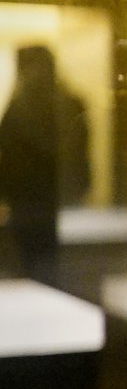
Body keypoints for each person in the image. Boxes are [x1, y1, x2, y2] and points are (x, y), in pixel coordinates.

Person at [0, 45, 91, 287]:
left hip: (37, 200)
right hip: (38, 200)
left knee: (39, 265)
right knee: (41, 264)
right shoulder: (64, 102)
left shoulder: (22, 107)